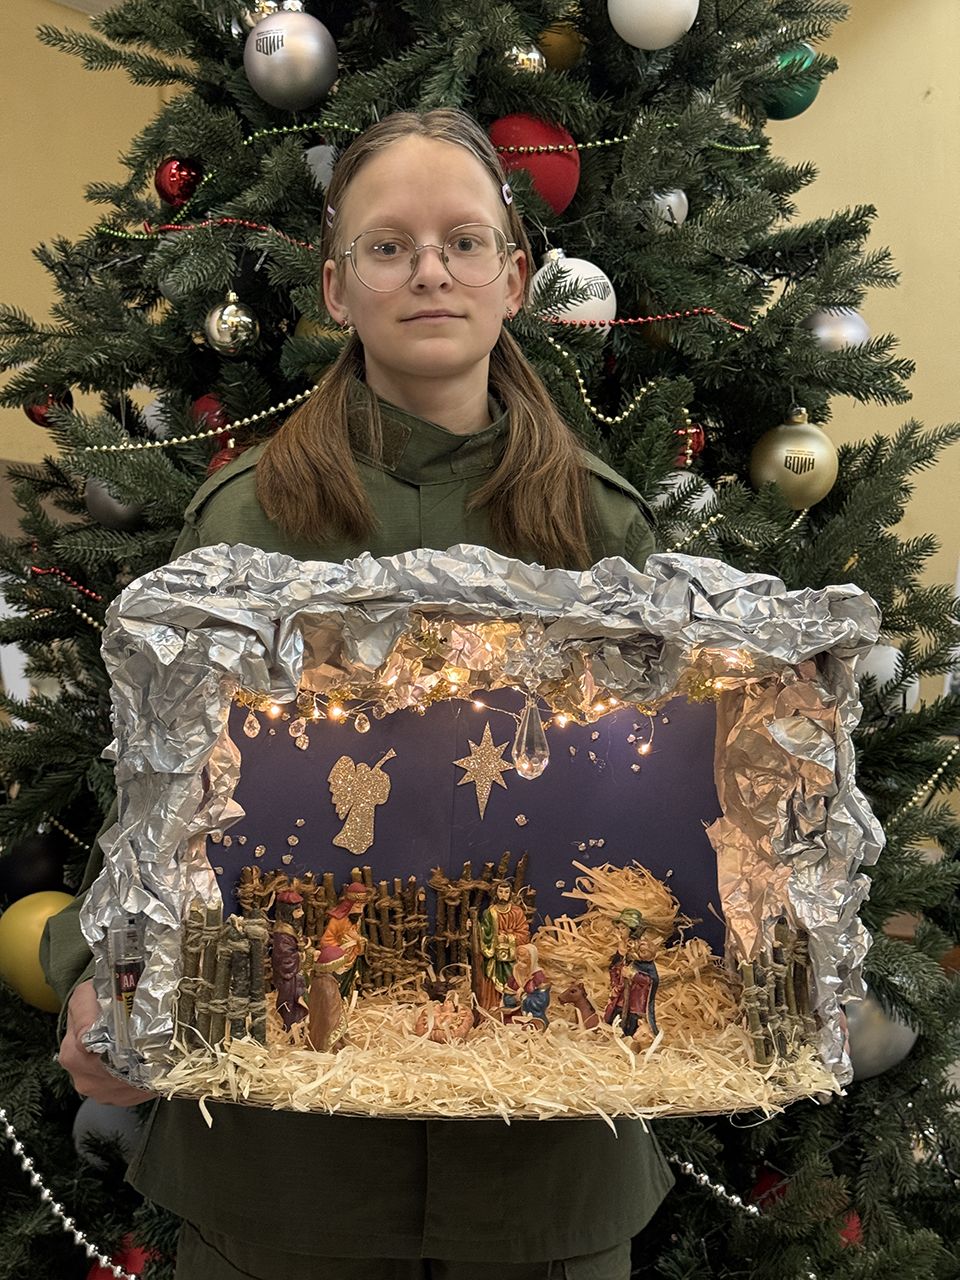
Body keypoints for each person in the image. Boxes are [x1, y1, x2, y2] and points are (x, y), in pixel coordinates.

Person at [42, 108, 671, 1280]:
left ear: (515, 278)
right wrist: (102, 979)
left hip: (542, 1164)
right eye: (389, 245)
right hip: (287, 1159)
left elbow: (665, 801)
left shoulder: (601, 526)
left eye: (464, 241)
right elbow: (159, 798)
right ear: (337, 287)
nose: (430, 270)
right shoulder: (243, 520)